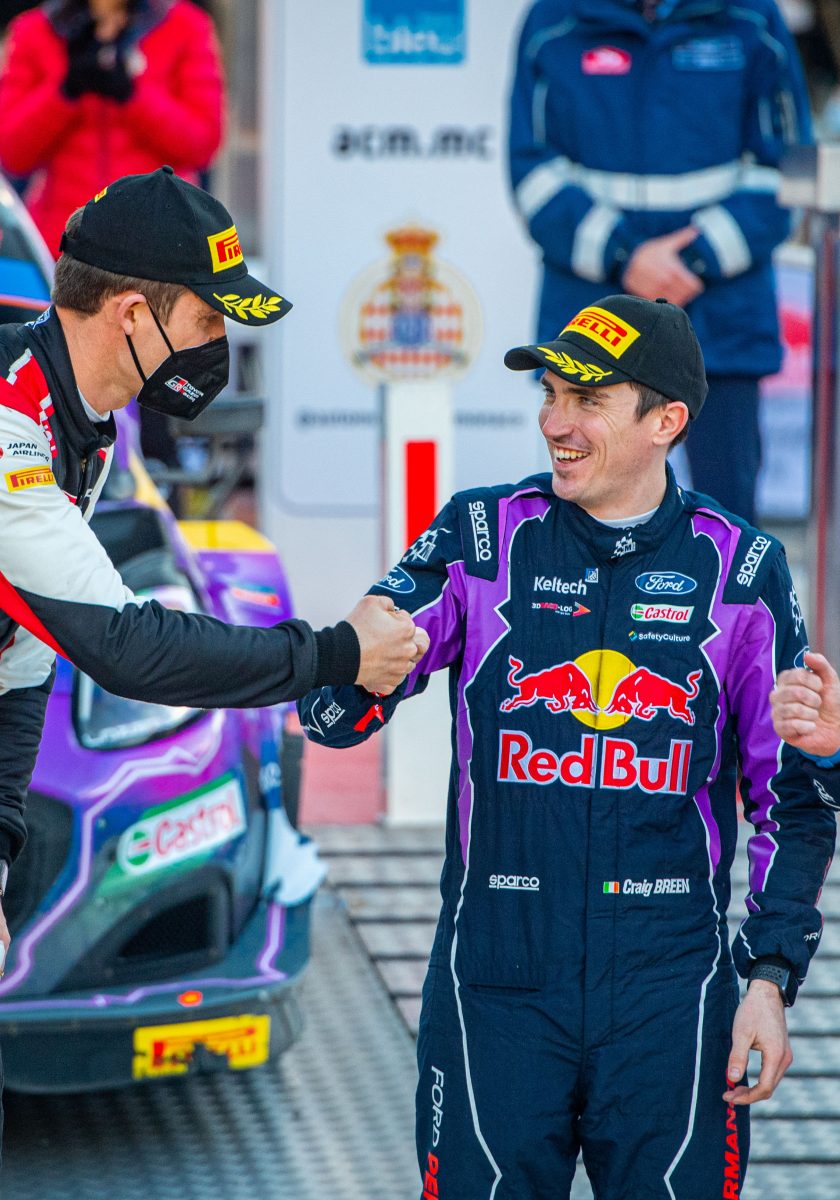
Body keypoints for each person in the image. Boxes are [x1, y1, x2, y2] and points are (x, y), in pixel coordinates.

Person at [299, 295, 836, 1200]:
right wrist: (347, 661)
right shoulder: (480, 536)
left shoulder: (743, 569)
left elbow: (796, 800)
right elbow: (332, 717)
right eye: (549, 394)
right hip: (495, 983)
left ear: (666, 421)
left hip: (673, 994)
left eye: (588, 400)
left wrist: (771, 980)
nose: (555, 422)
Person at [0, 165, 428, 984]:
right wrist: (336, 655)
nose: (217, 343)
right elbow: (127, 647)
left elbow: (17, 663)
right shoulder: (13, 420)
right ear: (132, 314)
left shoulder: (79, 417)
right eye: (207, 317)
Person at [508, 0, 811, 524]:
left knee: (726, 521)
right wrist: (624, 256)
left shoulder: (752, 17)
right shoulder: (553, 18)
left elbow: (790, 170)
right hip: (594, 319)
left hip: (722, 320)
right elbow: (532, 170)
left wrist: (694, 259)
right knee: (583, 509)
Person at [0, 0, 223, 257]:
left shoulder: (185, 26)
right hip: (65, 244)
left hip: (160, 242)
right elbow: (12, 152)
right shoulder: (36, 30)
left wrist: (132, 96)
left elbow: (202, 143)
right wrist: (64, 93)